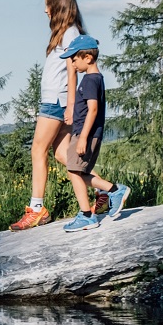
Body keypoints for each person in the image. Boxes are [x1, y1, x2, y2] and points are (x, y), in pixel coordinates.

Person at [10, 0, 87, 231]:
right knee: (63, 155)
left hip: (57, 101)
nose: (45, 11)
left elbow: (72, 69)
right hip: (56, 100)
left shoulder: (70, 33)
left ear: (59, 7)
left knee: (37, 150)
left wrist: (71, 105)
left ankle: (36, 209)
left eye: (48, 6)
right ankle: (110, 189)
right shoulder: (64, 33)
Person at [54, 36, 129, 233]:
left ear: (87, 57)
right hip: (85, 132)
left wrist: (83, 137)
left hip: (84, 135)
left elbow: (93, 109)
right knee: (79, 172)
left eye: (74, 59)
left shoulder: (89, 80)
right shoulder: (95, 79)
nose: (72, 63)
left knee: (73, 171)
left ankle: (87, 215)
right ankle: (114, 191)